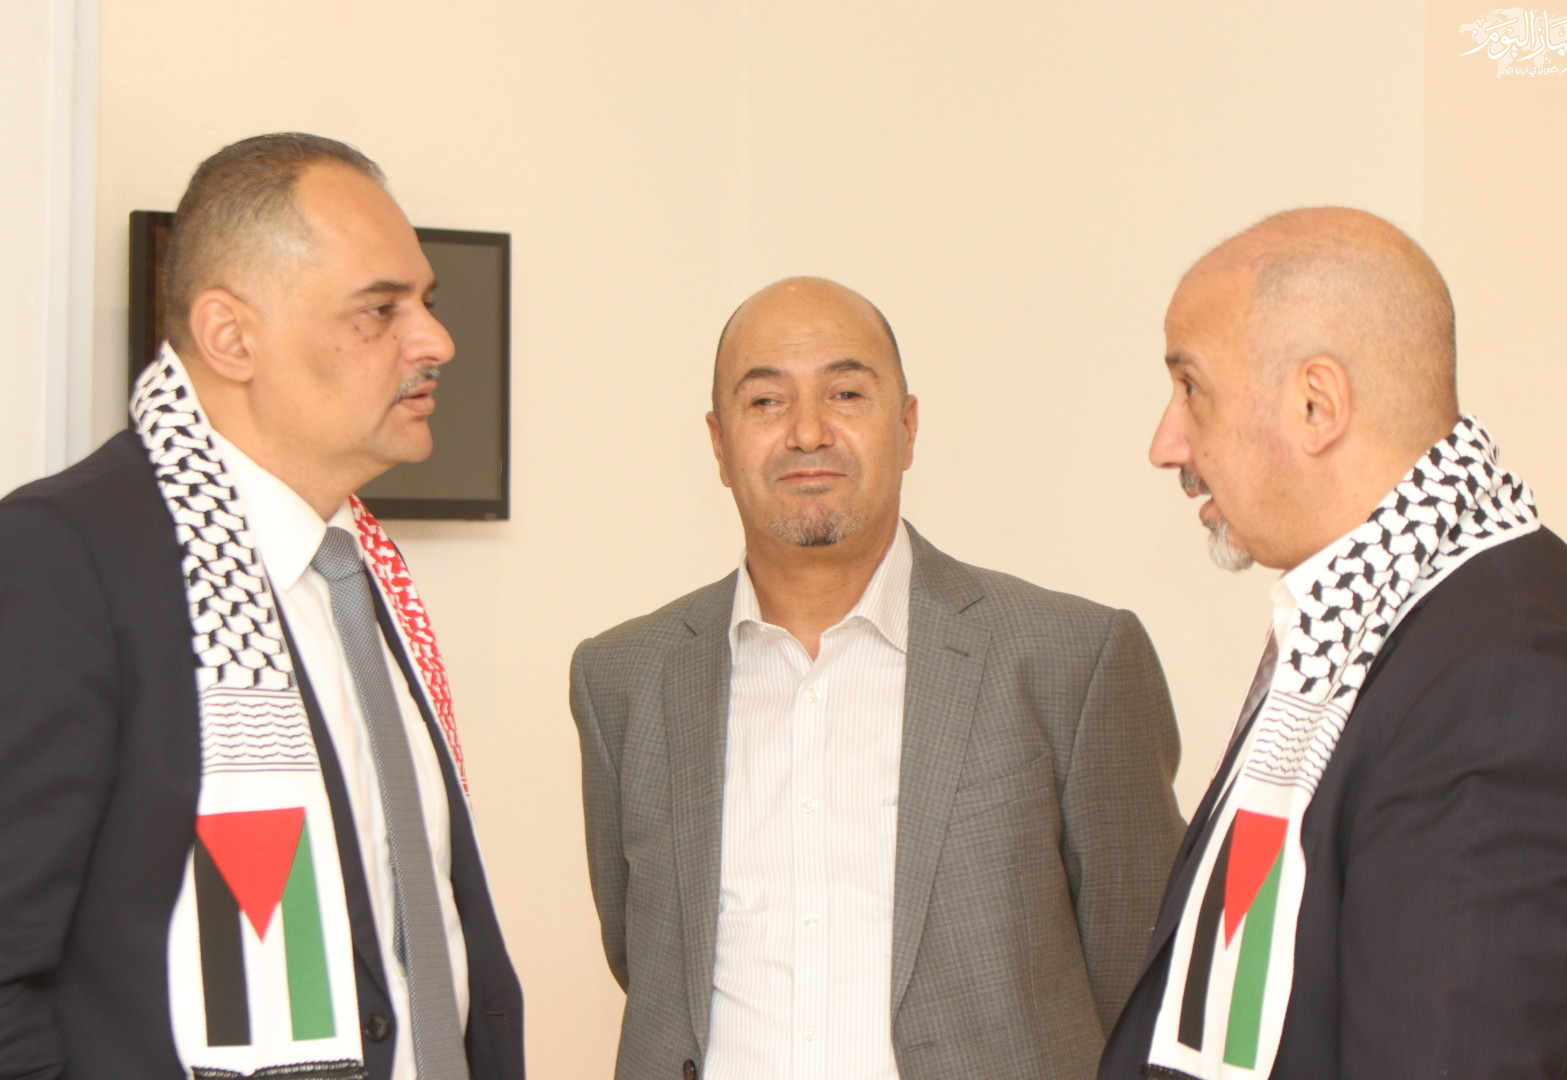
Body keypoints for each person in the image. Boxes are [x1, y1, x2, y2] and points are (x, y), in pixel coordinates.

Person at [0, 134, 523, 1080]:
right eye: (380, 310)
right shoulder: (64, 559)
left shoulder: (360, 568)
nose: (436, 342)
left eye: (428, 303)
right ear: (231, 338)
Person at [570, 276, 1185, 1080]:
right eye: (765, 402)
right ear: (718, 444)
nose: (807, 432)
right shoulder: (623, 680)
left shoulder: (1073, 660)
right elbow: (644, 960)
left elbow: (1146, 983)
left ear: (907, 425)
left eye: (846, 394)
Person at [1100, 207, 1567, 1080]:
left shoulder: (1494, 688)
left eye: (1192, 388)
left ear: (1317, 405)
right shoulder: (1374, 617)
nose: (1166, 443)